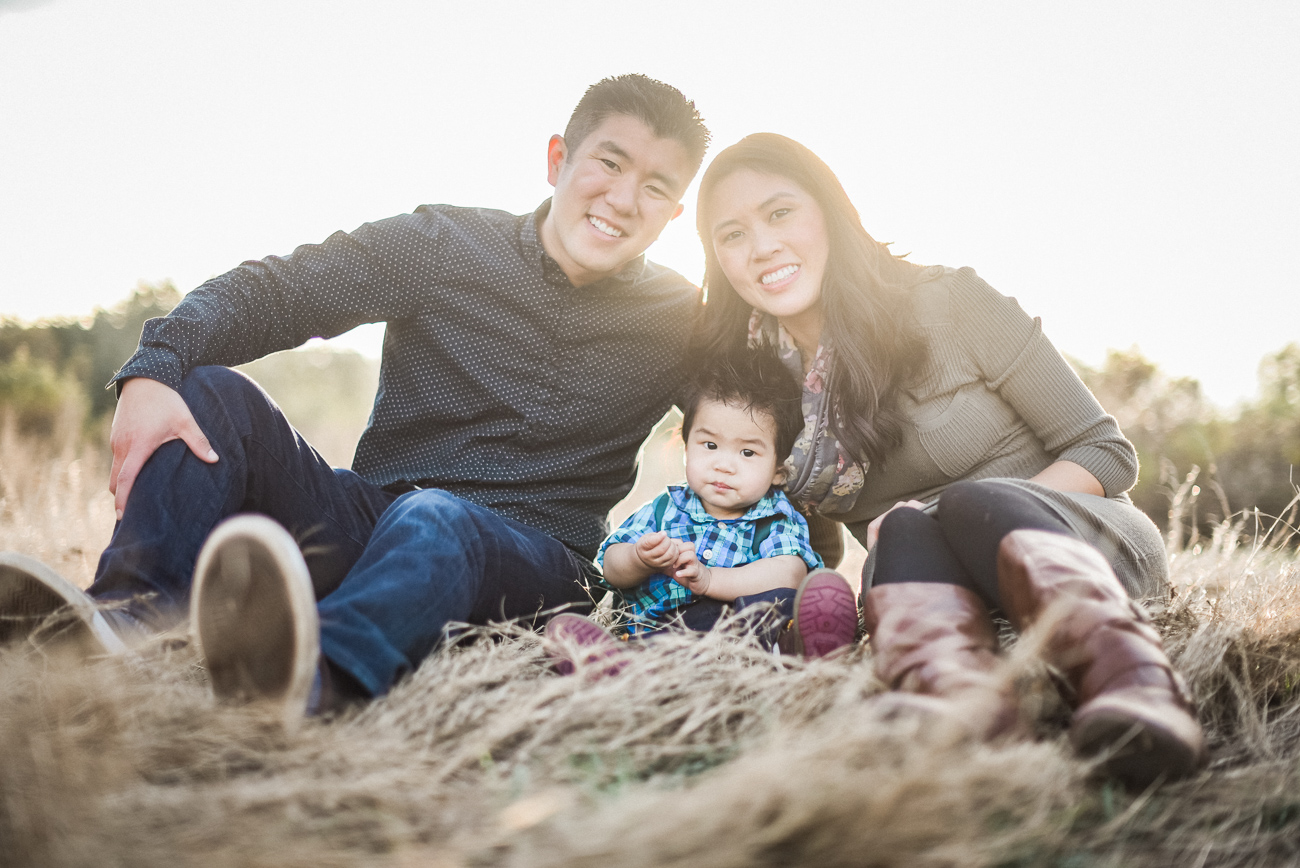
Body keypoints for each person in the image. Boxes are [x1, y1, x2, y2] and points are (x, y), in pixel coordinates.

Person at [0, 74, 710, 723]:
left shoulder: (682, 320)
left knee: (438, 518)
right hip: (374, 522)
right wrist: (153, 369)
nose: (623, 198)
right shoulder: (444, 245)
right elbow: (282, 291)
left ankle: (305, 679)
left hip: (539, 567)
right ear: (558, 159)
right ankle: (120, 627)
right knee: (213, 392)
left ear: (674, 215)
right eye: (610, 163)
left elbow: (755, 425)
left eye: (655, 187)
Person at [691, 132, 1207, 788]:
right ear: (717, 260)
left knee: (965, 502)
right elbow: (801, 545)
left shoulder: (950, 302)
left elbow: (1105, 452)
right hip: (929, 593)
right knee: (905, 529)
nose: (762, 246)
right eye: (731, 234)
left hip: (1081, 549)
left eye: (780, 212)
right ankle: (966, 713)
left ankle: (1137, 688)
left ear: (830, 211)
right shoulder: (757, 391)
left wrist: (966, 518)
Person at [546, 347, 857, 668]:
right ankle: (619, 666)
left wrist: (710, 581)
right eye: (710, 445)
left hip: (745, 633)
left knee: (780, 605)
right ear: (686, 446)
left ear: (779, 469)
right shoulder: (665, 510)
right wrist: (639, 558)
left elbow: (789, 572)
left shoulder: (775, 516)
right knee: (643, 632)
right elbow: (611, 566)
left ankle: (802, 645)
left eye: (747, 453)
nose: (723, 465)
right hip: (666, 631)